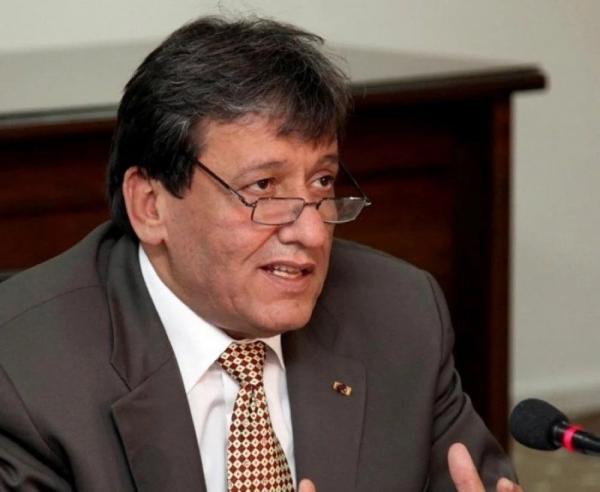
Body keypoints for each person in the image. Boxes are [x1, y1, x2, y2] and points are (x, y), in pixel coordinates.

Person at [0, 16, 521, 492]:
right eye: (264, 188)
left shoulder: (399, 314)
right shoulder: (24, 370)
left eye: (322, 182)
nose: (312, 232)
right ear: (151, 205)